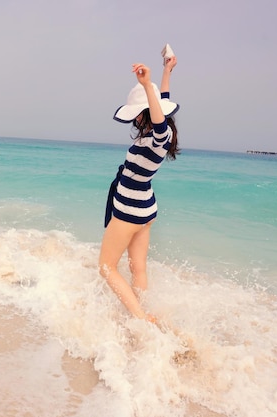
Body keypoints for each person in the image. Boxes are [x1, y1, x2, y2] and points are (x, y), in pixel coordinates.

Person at [99, 56, 179, 323]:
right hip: (145, 206)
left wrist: (146, 86)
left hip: (129, 209)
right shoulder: (159, 137)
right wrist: (166, 72)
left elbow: (159, 120)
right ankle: (145, 313)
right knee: (138, 268)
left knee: (106, 267)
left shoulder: (159, 137)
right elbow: (163, 106)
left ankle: (140, 317)